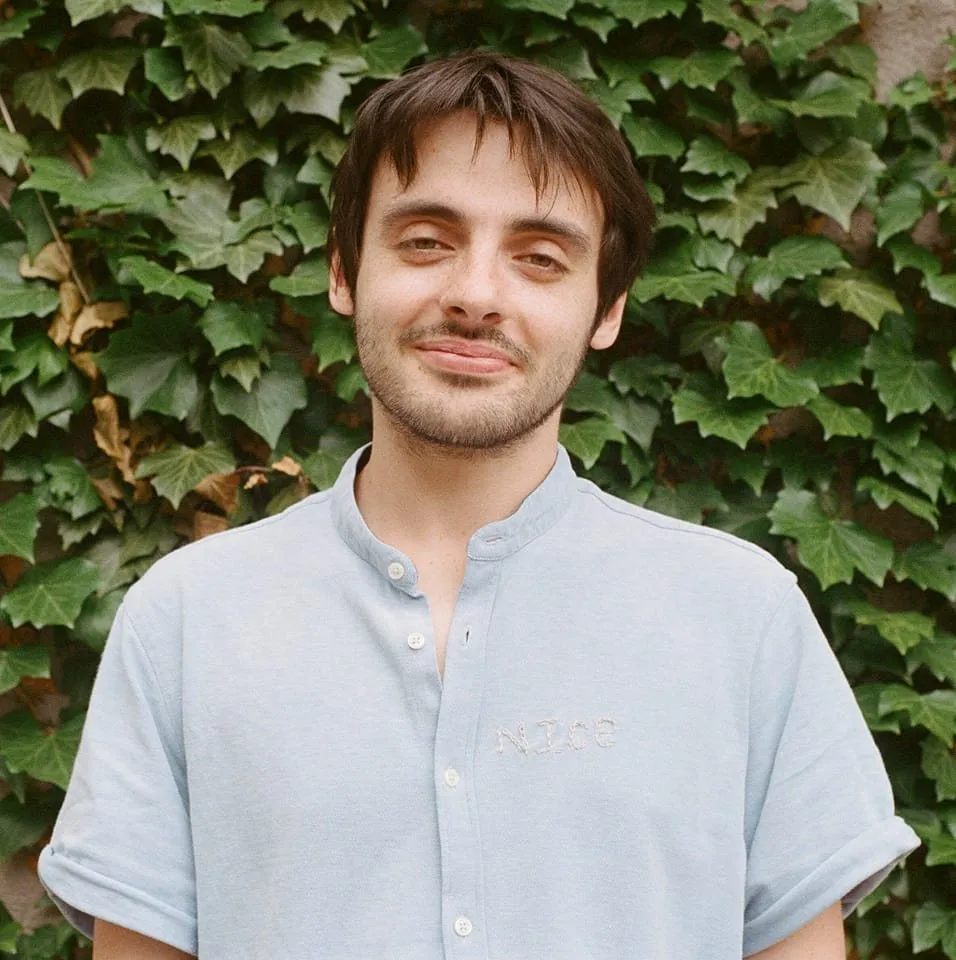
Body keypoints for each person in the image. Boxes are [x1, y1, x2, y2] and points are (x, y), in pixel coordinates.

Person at [38, 52, 919, 960]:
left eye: (540, 259)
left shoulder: (743, 617)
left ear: (606, 308)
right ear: (344, 270)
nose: (475, 294)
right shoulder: (186, 620)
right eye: (426, 241)